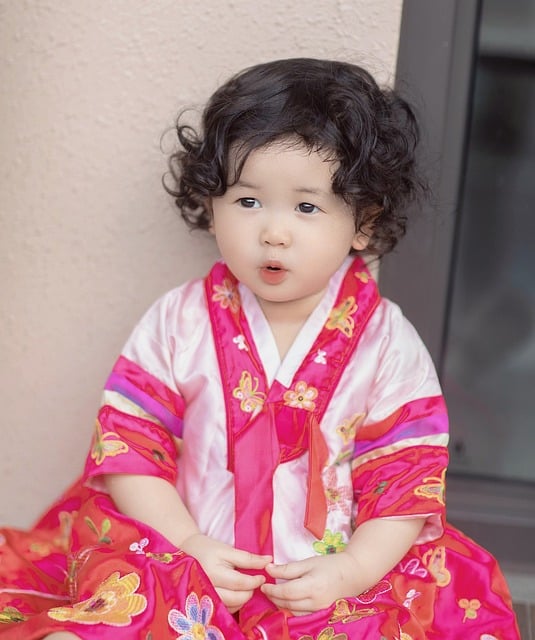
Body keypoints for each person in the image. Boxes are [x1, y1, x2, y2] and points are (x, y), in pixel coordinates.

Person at [0, 58, 520, 640]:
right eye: (248, 202)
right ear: (212, 204)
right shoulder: (179, 321)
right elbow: (130, 450)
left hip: (324, 578)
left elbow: (406, 481)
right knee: (123, 604)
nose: (274, 232)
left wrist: (350, 571)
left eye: (306, 207)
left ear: (364, 222)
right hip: (189, 558)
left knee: (399, 615)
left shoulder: (387, 343)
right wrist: (189, 544)